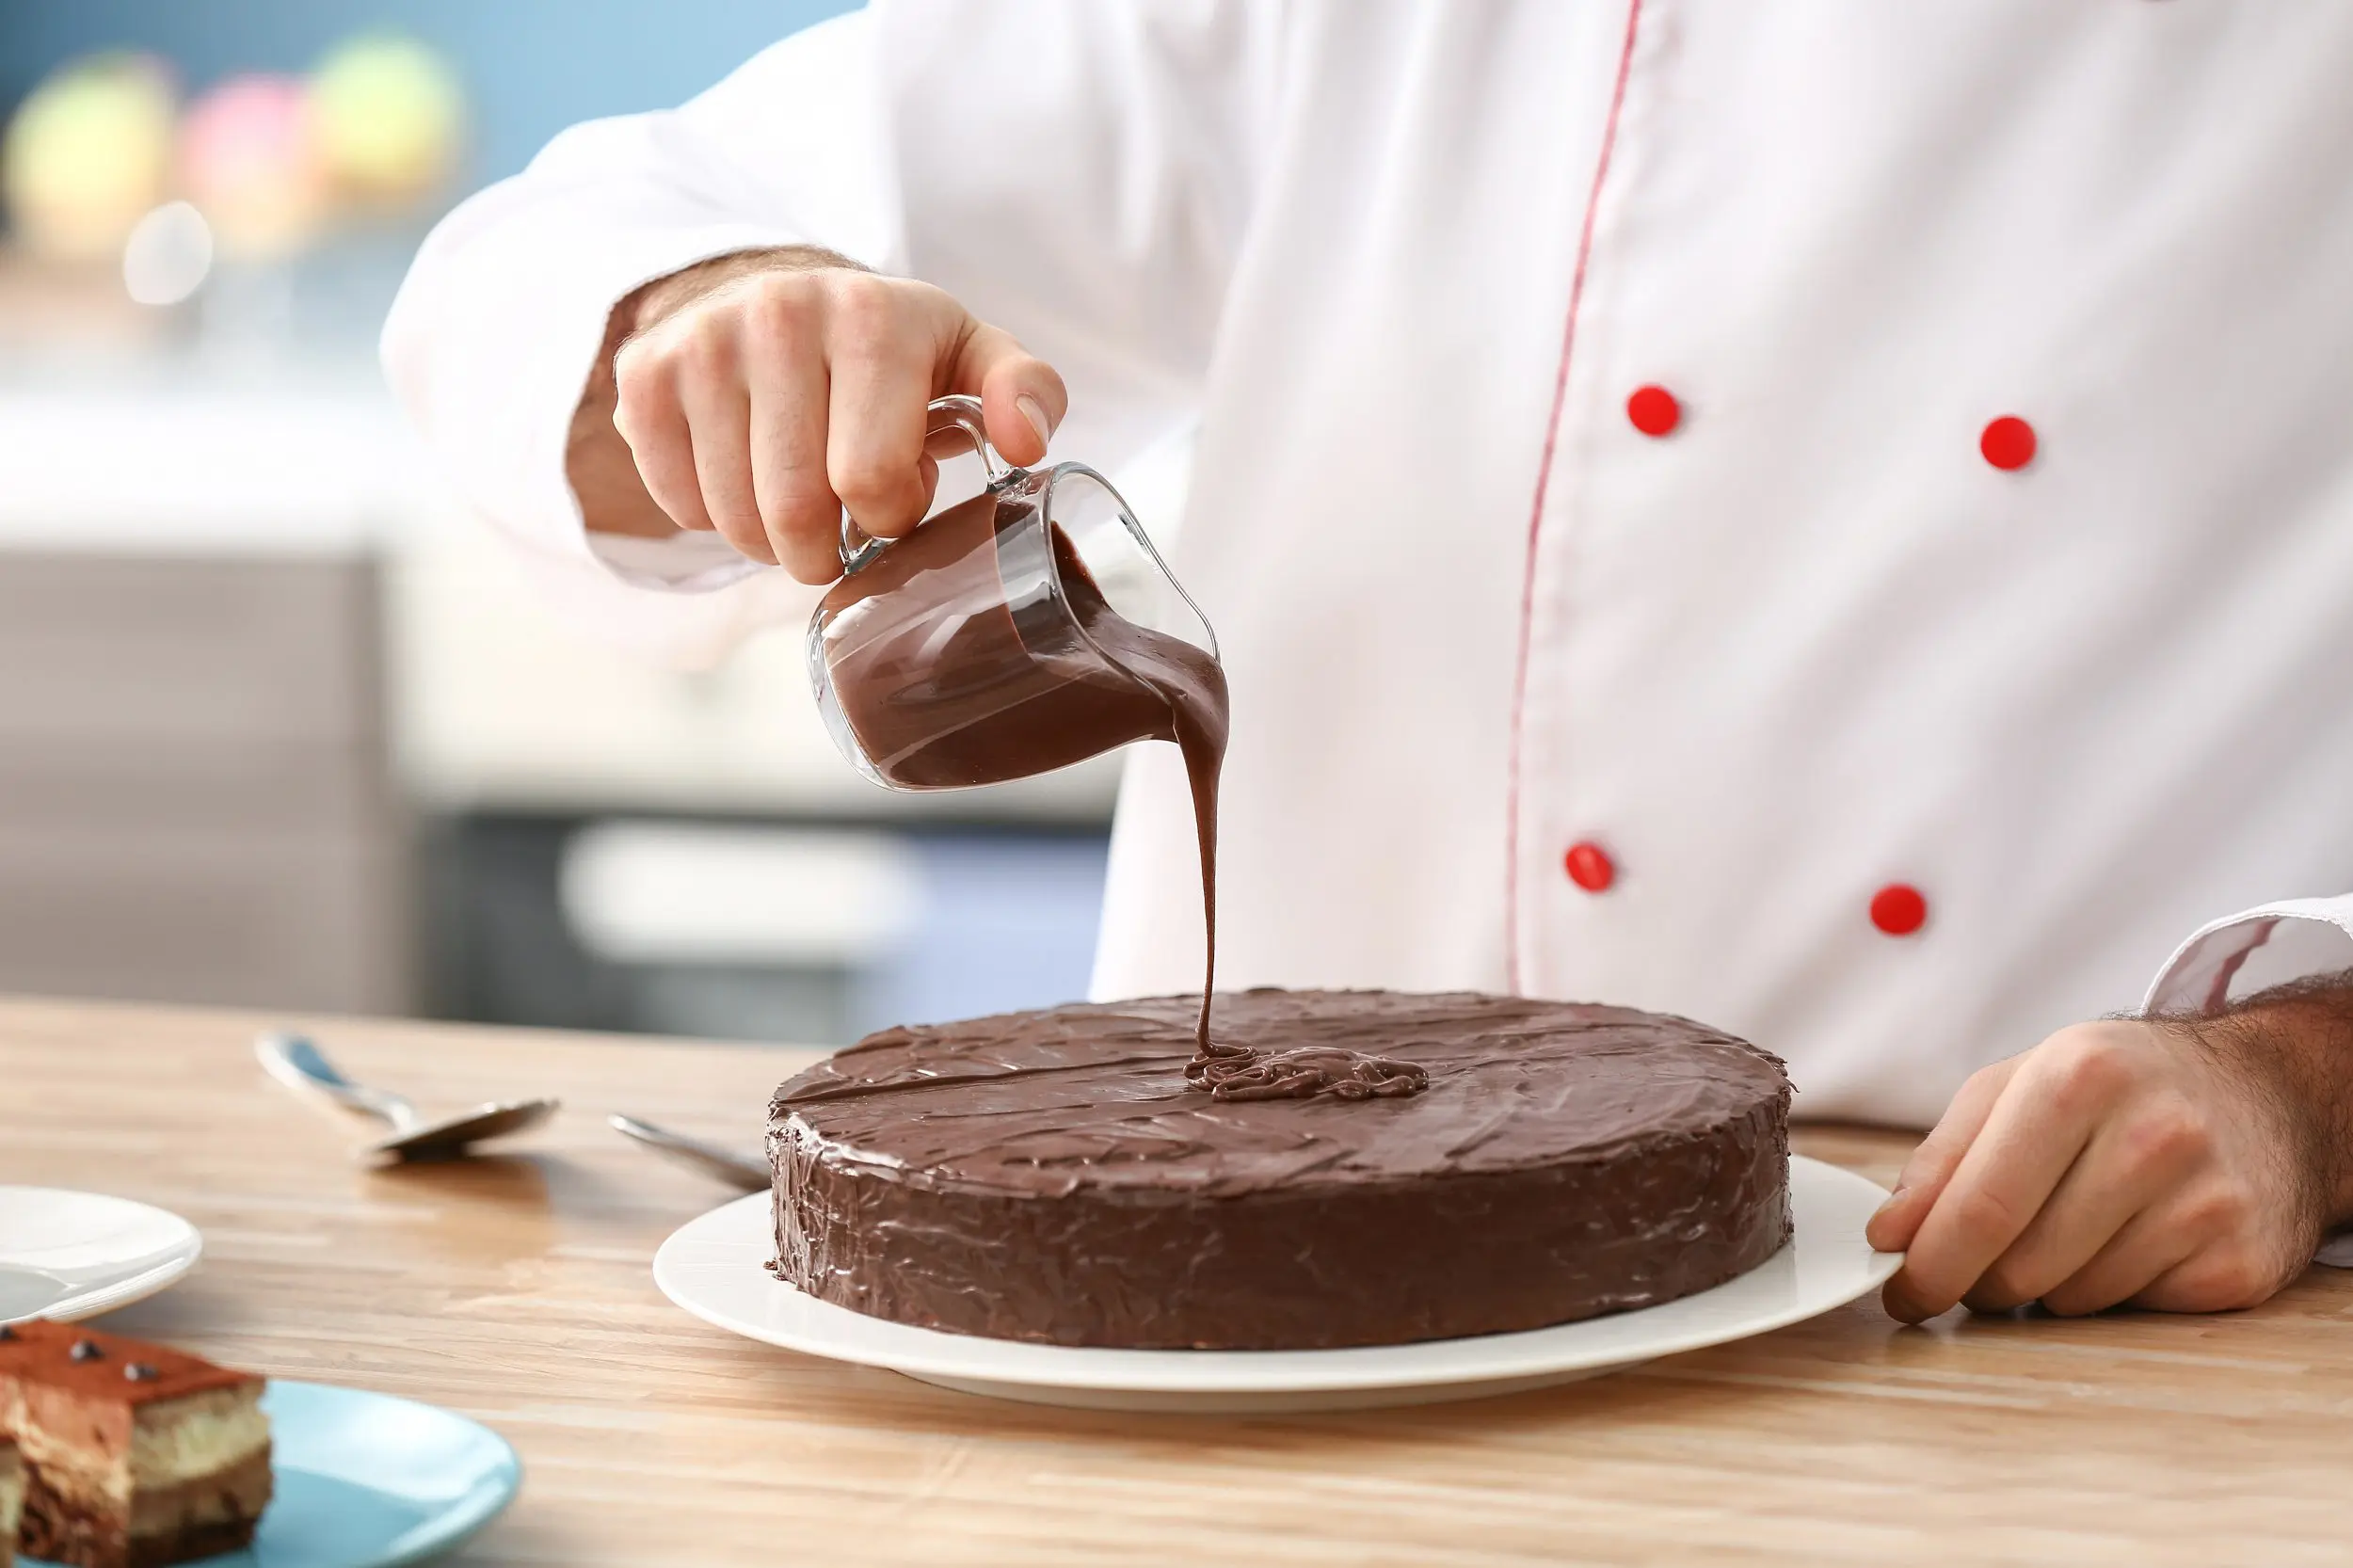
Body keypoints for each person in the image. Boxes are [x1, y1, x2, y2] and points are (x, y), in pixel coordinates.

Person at [385, 2, 2353, 1322]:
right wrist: (712, 317)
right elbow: (538, 267)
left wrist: (2303, 1086)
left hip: (2002, 1335)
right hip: (1190, 1351)